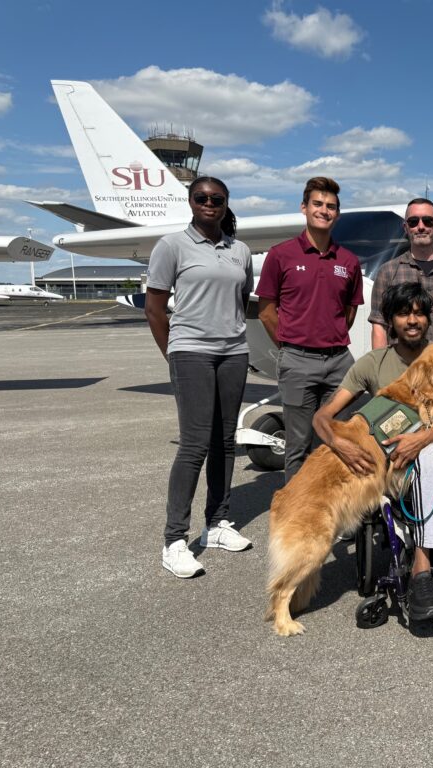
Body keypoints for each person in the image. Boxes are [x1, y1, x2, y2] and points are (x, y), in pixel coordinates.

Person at [312, 282, 433, 620]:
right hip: (400, 466)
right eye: (404, 313)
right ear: (390, 321)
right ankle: (420, 567)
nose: (412, 320)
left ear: (427, 320)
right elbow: (323, 416)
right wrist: (340, 446)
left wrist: (424, 437)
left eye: (420, 314)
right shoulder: (373, 364)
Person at [145, 176, 254, 578]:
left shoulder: (240, 250)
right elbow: (155, 309)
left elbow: (241, 302)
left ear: (226, 203)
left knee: (225, 441)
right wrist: (174, 354)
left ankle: (217, 523)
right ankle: (174, 540)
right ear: (191, 202)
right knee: (194, 444)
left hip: (233, 352)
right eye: (201, 197)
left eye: (217, 198)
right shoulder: (172, 246)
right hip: (190, 351)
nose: (209, 203)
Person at [256, 176, 364, 482]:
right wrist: (292, 346)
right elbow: (266, 311)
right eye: (317, 204)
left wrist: (329, 336)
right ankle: (297, 519)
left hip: (339, 361)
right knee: (298, 447)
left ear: (337, 214)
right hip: (297, 360)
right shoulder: (281, 255)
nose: (324, 210)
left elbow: (350, 309)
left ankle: (333, 515)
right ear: (304, 208)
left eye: (331, 206)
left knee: (337, 442)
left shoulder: (349, 261)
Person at [368, 197, 433, 361]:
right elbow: (379, 326)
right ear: (405, 227)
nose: (420, 227)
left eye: (427, 221)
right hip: (402, 371)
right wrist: (380, 372)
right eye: (413, 222)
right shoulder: (387, 272)